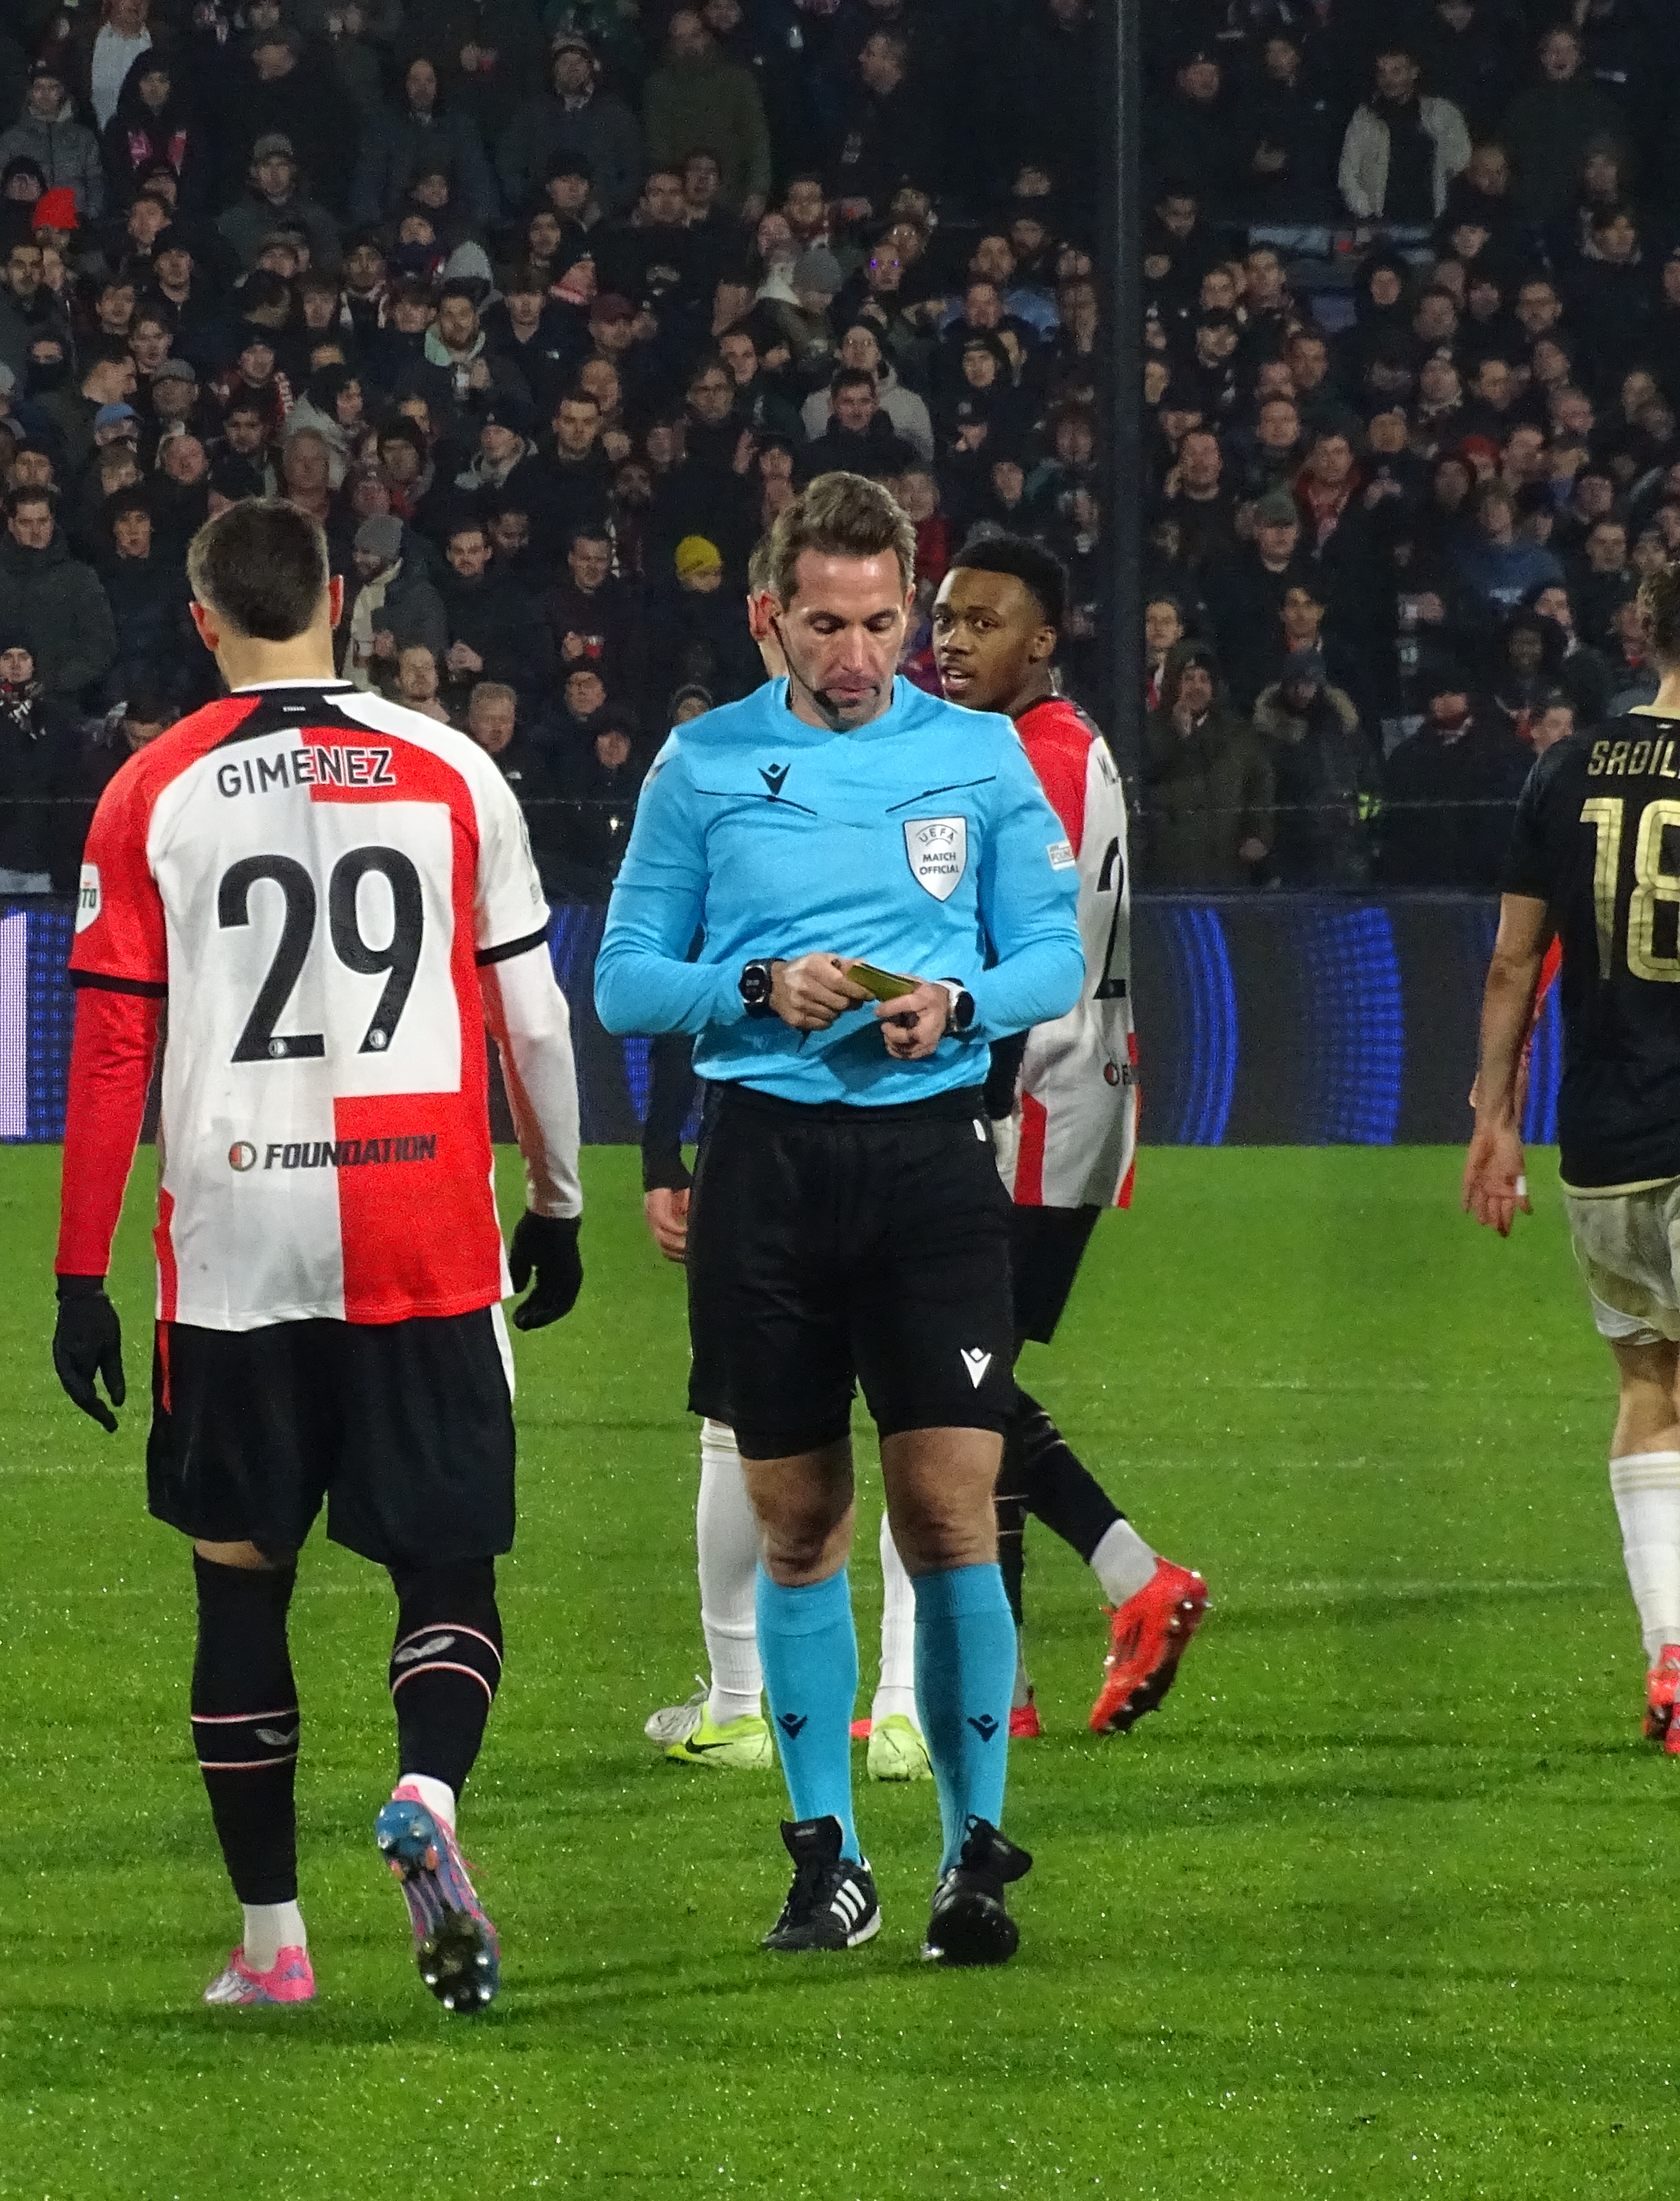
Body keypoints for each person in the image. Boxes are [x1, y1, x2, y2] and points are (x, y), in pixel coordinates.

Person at [50, 498, 586, 2015]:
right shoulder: (454, 768)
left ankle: (273, 1944)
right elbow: (532, 1021)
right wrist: (558, 1205)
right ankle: (432, 1793)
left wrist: (80, 1278)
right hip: (421, 1218)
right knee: (447, 1560)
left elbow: (108, 1053)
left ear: (201, 616)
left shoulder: (151, 790)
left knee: (240, 1588)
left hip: (235, 1240)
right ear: (341, 601)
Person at [594, 473, 1083, 1966]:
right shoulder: (700, 765)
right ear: (770, 619)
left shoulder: (984, 758)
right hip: (769, 1175)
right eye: (828, 622)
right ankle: (827, 1860)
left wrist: (962, 1003)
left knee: (950, 1514)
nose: (862, 652)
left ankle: (973, 1861)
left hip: (932, 1168)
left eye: (884, 621)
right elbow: (622, 978)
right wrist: (754, 986)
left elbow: (1052, 956)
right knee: (799, 1527)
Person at [929, 534, 1211, 1736]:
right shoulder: (1049, 743)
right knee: (972, 1377)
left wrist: (965, 1088)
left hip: (1029, 1097)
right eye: (943, 618)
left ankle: (1137, 1577)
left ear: (1040, 641)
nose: (950, 641)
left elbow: (1022, 958)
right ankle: (1007, 1685)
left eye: (982, 623)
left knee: (956, 1379)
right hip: (1063, 1086)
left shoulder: (1029, 760)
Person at [1468, 566, 1680, 1754]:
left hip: (1601, 1146)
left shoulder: (1565, 767)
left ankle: (1671, 1661)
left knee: (1650, 1388)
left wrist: (1494, 1115)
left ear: (1648, 633)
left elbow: (1512, 965)